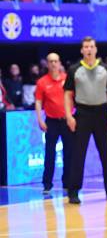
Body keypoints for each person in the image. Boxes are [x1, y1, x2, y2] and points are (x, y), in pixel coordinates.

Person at [64, 37, 107, 204]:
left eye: (91, 46)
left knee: (106, 154)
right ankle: (73, 192)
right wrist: (69, 116)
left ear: (96, 49)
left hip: (101, 113)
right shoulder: (74, 69)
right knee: (78, 154)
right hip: (82, 113)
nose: (88, 49)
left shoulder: (105, 69)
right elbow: (67, 94)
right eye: (85, 47)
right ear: (82, 50)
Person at [35, 53, 72, 196]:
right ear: (47, 64)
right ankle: (47, 184)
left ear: (59, 63)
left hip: (66, 120)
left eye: (56, 61)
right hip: (51, 122)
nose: (53, 64)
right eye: (50, 61)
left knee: (68, 153)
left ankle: (67, 183)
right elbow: (38, 102)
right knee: (49, 153)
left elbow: (73, 97)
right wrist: (39, 119)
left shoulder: (67, 78)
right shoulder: (42, 82)